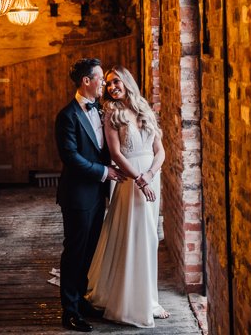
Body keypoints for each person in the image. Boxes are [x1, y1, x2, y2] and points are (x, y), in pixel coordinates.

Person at [85, 65, 168, 328]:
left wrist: (152, 173)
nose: (112, 87)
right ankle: (130, 300)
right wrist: (140, 179)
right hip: (131, 181)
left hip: (151, 179)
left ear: (127, 82)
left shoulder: (144, 109)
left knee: (150, 238)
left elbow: (160, 150)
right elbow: (116, 155)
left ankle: (150, 299)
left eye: (116, 81)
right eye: (108, 83)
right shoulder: (111, 113)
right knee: (133, 237)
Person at [55, 58, 125, 332]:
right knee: (75, 251)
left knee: (91, 250)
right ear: (87, 81)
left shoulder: (101, 109)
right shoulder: (67, 116)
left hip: (98, 195)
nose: (104, 85)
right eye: (100, 79)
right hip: (77, 196)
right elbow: (70, 157)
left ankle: (81, 300)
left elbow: (104, 148)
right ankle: (69, 311)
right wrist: (104, 172)